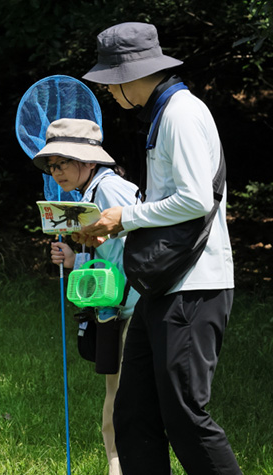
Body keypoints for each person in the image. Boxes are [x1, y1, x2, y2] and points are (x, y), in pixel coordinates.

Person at [79, 22, 240, 474]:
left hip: (193, 287)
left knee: (185, 417)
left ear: (130, 76)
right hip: (162, 286)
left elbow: (194, 198)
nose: (110, 93)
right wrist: (112, 225)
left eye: (111, 83)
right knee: (134, 414)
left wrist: (123, 217)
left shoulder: (181, 114)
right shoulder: (163, 111)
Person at [33, 118, 140, 475]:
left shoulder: (111, 190)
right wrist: (75, 258)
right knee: (115, 394)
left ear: (89, 161)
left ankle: (122, 465)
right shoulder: (93, 193)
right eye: (52, 165)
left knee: (126, 399)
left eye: (62, 163)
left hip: (133, 309)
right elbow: (109, 253)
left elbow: (137, 251)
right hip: (114, 308)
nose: (56, 171)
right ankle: (116, 465)